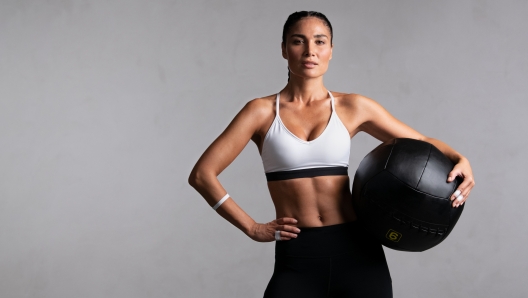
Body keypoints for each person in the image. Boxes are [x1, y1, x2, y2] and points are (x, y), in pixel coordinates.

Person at [188, 10, 475, 298]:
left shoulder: (353, 107)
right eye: (298, 41)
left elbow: (422, 142)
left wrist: (460, 159)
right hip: (297, 255)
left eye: (320, 41)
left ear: (331, 50)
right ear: (284, 49)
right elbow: (202, 175)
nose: (310, 51)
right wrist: (251, 228)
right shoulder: (260, 112)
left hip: (358, 251)